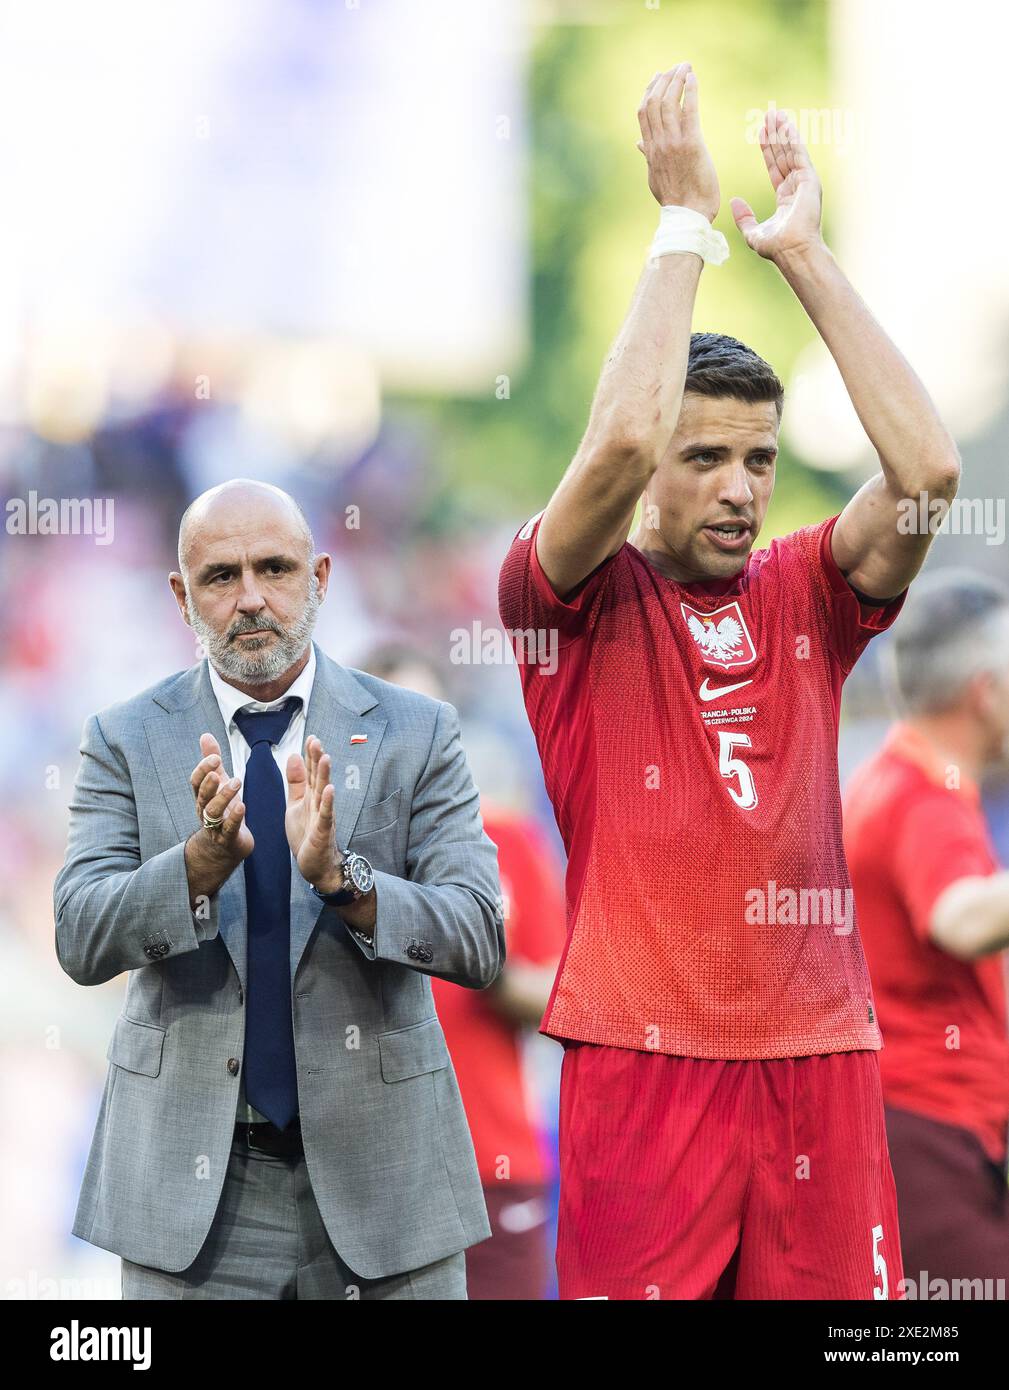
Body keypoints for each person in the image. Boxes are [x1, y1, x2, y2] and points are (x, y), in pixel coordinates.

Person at [497, 63, 961, 1299]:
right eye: (706, 458)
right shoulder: (562, 595)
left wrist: (804, 257)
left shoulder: (808, 587)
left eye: (757, 458)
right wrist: (683, 230)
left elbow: (926, 474)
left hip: (821, 1054)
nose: (740, 487)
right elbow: (622, 440)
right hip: (642, 1059)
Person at [54, 480, 503, 1300]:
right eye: (221, 577)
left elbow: (477, 935)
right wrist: (195, 867)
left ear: (323, 576)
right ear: (179, 595)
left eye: (276, 568)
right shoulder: (122, 737)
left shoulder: (417, 729)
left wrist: (347, 883)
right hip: (193, 1202)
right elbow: (80, 935)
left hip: (386, 1185)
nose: (252, 598)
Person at [365, 642, 566, 1300]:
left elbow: (564, 995)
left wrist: (491, 969)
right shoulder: (319, 860)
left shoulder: (505, 841)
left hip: (491, 1166)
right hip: (366, 1179)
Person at [844, 570, 1009, 1297]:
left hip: (917, 1126)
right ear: (985, 692)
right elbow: (960, 919)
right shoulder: (924, 799)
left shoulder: (894, 775)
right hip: (925, 1130)